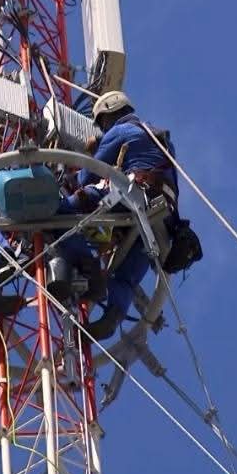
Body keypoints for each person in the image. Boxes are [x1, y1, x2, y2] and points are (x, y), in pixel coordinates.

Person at [64, 90, 184, 341]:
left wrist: (90, 153)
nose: (103, 129)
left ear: (110, 113)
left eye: (102, 123)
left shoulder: (120, 131)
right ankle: (112, 317)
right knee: (125, 277)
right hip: (161, 217)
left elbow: (89, 176)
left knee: (66, 212)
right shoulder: (159, 135)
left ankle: (89, 271)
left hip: (132, 195)